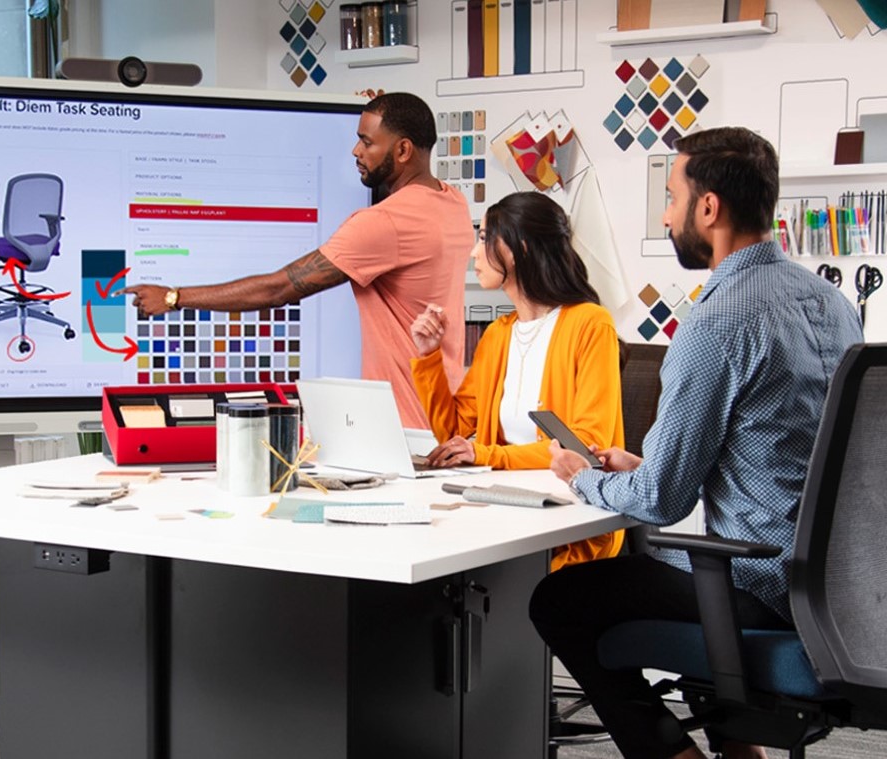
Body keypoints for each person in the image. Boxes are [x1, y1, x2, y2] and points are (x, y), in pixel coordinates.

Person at [530, 127, 862, 759]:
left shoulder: (717, 320)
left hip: (760, 585)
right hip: (836, 587)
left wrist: (581, 475)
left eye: (672, 196)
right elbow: (776, 449)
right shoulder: (832, 302)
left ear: (708, 208)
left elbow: (660, 501)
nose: (665, 213)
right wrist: (643, 464)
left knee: (559, 600)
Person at [119, 92, 473, 428]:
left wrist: (173, 297)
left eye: (367, 142)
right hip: (446, 415)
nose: (355, 150)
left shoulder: (385, 223)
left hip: (406, 424)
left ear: (403, 149)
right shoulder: (452, 203)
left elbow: (279, 289)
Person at [409, 191, 624, 570]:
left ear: (518, 248)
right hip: (503, 509)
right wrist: (429, 357)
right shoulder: (498, 334)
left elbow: (585, 447)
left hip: (567, 519)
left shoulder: (589, 324)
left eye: (484, 237)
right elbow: (455, 433)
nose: (475, 254)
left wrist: (486, 455)